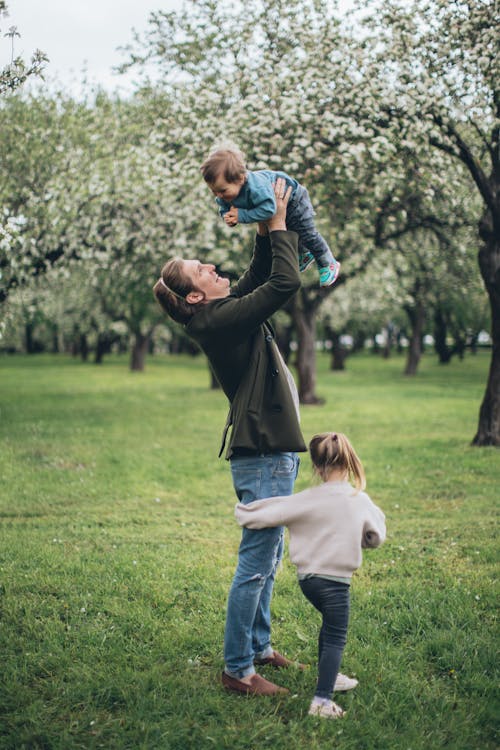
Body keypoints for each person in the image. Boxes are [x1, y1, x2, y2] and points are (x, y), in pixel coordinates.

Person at [153, 179, 307, 698]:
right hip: (262, 456)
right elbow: (284, 283)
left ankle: (259, 648)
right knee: (256, 562)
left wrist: (265, 218)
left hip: (272, 453)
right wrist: (281, 226)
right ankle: (238, 669)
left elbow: (262, 272)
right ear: (196, 295)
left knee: (268, 556)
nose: (215, 269)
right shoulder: (217, 322)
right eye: (204, 271)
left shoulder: (222, 312)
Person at [235, 431, 386, 718]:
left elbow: (267, 513)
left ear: (316, 467)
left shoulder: (306, 499)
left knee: (329, 629)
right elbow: (376, 536)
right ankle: (321, 701)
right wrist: (363, 537)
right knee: (335, 636)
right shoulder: (359, 499)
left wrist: (243, 511)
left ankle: (330, 675)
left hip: (309, 581)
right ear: (350, 461)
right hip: (336, 584)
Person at [200, 145, 341, 288]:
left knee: (306, 233)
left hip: (294, 199)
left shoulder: (257, 188)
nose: (218, 196)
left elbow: (269, 210)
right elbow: (224, 207)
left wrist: (241, 215)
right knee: (291, 232)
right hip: (277, 204)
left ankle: (327, 262)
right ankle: (305, 253)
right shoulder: (225, 193)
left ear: (241, 179)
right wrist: (228, 217)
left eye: (222, 191)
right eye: (214, 191)